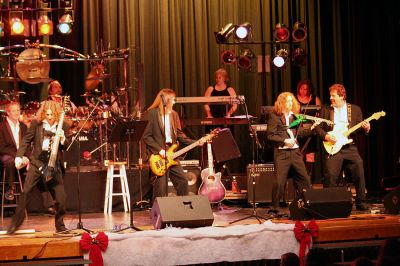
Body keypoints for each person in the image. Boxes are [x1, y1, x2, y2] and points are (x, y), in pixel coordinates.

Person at [7, 100, 70, 234]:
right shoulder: (37, 124)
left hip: (52, 165)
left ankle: (60, 226)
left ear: (56, 113)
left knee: (61, 198)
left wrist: (63, 138)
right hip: (37, 163)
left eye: (51, 114)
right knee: (26, 192)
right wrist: (19, 156)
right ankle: (15, 224)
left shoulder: (62, 125)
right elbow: (26, 140)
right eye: (46, 113)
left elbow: (65, 146)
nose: (49, 116)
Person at [314, 84, 370, 211]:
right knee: (330, 177)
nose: (331, 98)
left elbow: (360, 131)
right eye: (330, 95)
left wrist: (366, 128)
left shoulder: (355, 110)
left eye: (333, 96)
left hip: (349, 147)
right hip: (333, 148)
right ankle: (327, 204)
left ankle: (361, 202)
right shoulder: (326, 110)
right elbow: (317, 127)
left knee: (359, 173)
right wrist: (326, 136)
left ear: (342, 96)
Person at [142, 88, 197, 198]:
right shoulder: (151, 113)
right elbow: (146, 136)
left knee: (182, 181)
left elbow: (179, 134)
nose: (174, 102)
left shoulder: (174, 115)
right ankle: (159, 213)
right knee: (161, 188)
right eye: (172, 99)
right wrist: (159, 150)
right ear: (166, 100)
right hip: (159, 155)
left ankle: (184, 207)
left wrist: (196, 142)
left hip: (172, 154)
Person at [267, 92, 313, 214]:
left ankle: (309, 205)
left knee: (304, 179)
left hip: (295, 153)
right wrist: (284, 140)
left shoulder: (295, 117)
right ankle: (273, 208)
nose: (290, 103)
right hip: (282, 153)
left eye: (291, 101)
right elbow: (270, 136)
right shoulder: (274, 116)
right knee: (279, 182)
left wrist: (312, 129)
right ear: (281, 102)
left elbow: (300, 134)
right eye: (287, 101)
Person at [0, 102, 29, 201]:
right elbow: (2, 147)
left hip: (21, 156)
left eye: (18, 110)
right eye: (14, 110)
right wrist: (18, 155)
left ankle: (49, 203)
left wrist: (28, 158)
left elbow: (27, 144)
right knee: (10, 161)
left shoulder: (23, 126)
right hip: (7, 154)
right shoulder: (2, 127)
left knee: (38, 164)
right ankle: (10, 189)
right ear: (8, 113)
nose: (17, 113)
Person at [295, 80, 321, 181]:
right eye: (301, 88)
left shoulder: (314, 99)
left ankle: (308, 179)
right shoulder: (295, 99)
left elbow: (320, 112)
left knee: (310, 155)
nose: (303, 91)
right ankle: (300, 180)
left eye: (306, 89)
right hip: (299, 130)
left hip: (312, 130)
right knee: (299, 155)